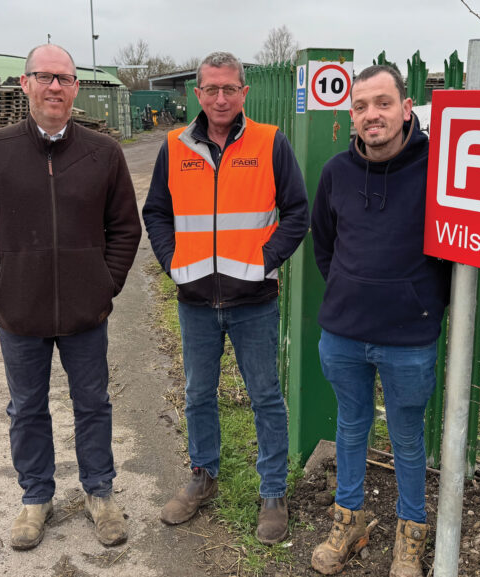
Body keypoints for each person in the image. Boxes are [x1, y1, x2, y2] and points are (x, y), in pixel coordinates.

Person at [0, 44, 141, 551]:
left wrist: (105, 285)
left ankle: (100, 493)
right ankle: (36, 497)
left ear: (77, 88)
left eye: (65, 78)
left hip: (86, 313)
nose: (55, 86)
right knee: (28, 407)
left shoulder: (103, 153)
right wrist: (1, 288)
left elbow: (125, 228)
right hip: (20, 315)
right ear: (26, 84)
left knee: (93, 404)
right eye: (45, 77)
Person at [142, 51, 309, 545]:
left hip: (253, 300)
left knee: (265, 397)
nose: (220, 98)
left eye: (229, 89)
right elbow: (156, 212)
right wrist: (174, 262)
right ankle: (203, 477)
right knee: (198, 395)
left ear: (243, 93)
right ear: (198, 94)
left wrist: (265, 260)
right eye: (211, 89)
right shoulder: (173, 146)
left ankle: (273, 491)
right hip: (195, 300)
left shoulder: (270, 142)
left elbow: (297, 211)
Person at [309, 65, 452, 577]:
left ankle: (410, 537)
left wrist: (421, 302)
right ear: (352, 115)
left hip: (408, 338)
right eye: (362, 106)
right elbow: (324, 243)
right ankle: (348, 520)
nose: (373, 115)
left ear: (406, 107)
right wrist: (351, 289)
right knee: (350, 427)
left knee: (408, 439)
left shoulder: (438, 166)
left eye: (383, 103)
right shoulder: (336, 173)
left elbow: (455, 252)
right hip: (344, 333)